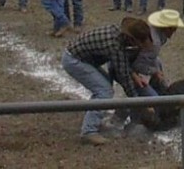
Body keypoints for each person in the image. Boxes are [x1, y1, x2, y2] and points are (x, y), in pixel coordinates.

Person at [61, 17, 153, 146]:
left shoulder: (119, 37)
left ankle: (94, 120)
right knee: (104, 91)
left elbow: (124, 68)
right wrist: (140, 103)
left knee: (105, 86)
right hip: (75, 60)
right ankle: (88, 131)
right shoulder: (114, 45)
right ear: (132, 39)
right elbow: (124, 76)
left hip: (84, 58)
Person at [133, 9, 184, 97]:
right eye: (173, 28)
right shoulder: (154, 42)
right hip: (132, 70)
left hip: (138, 62)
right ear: (167, 28)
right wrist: (155, 72)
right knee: (154, 97)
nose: (175, 31)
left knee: (158, 63)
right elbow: (138, 65)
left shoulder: (155, 33)